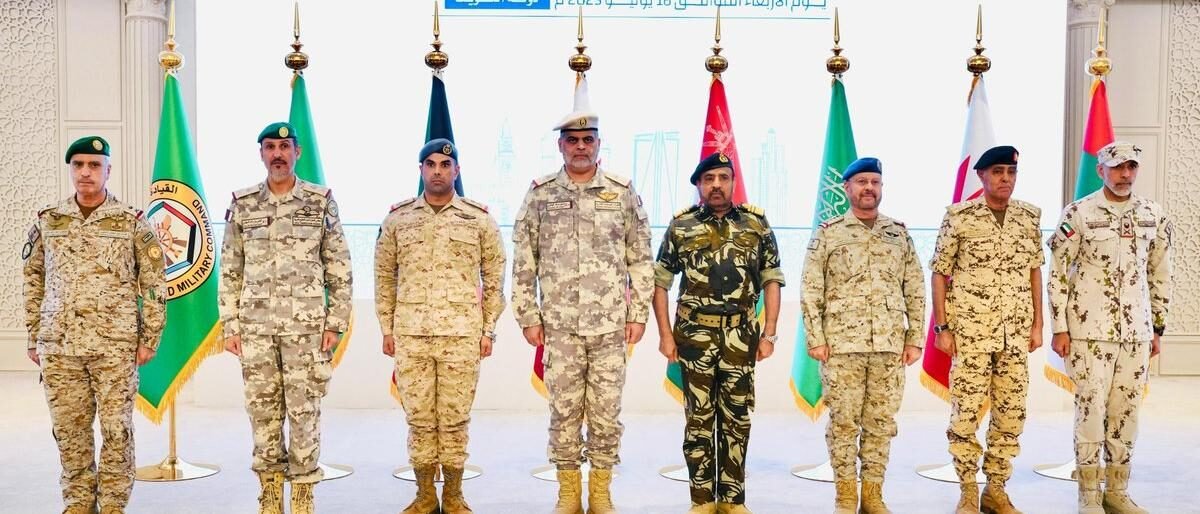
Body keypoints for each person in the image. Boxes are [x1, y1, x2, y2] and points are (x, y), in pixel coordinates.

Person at [511, 97, 653, 514]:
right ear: (560, 146)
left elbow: (640, 257)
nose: (580, 147)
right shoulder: (540, 194)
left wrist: (638, 313)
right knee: (564, 412)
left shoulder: (621, 193)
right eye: (572, 140)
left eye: (587, 139)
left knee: (606, 413)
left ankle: (602, 492)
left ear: (598, 144)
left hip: (610, 327)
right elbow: (524, 258)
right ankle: (568, 493)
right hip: (559, 327)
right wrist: (527, 315)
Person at [23, 136, 166, 514]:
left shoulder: (130, 222)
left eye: (94, 165)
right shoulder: (49, 221)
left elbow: (154, 282)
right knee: (69, 432)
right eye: (79, 165)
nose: (86, 172)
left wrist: (150, 337)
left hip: (114, 346)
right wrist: (34, 335)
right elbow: (33, 278)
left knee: (117, 431)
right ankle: (78, 504)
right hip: (60, 345)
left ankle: (114, 505)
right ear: (71, 169)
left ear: (108, 170)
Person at [219, 122, 352, 514]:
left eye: (284, 146)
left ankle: (304, 493)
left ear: (297, 152)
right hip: (256, 330)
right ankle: (271, 493)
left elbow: (338, 265)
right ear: (261, 153)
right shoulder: (243, 204)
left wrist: (335, 322)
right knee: (263, 412)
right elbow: (230, 269)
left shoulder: (319, 201)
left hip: (306, 329)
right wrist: (230, 325)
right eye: (270, 147)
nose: (277, 154)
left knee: (304, 410)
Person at [375, 138, 506, 514]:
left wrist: (488, 329)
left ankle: (453, 495)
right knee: (418, 418)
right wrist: (387, 328)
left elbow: (495, 275)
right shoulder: (398, 219)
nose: (437, 171)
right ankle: (424, 495)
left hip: (461, 336)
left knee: (454, 419)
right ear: (420, 170)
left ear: (456, 171)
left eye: (445, 165)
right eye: (430, 164)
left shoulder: (478, 219)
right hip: (411, 335)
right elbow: (384, 275)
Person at [652, 152, 784, 514]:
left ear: (733, 182)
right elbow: (660, 283)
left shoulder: (756, 225)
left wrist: (770, 333)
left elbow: (772, 278)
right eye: (709, 179)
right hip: (694, 337)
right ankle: (701, 500)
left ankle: (732, 500)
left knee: (737, 419)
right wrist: (665, 334)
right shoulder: (681, 226)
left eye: (723, 178)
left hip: (740, 337)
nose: (716, 185)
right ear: (698, 184)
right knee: (699, 420)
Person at [1047, 141, 1171, 514]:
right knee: (1091, 410)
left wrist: (1157, 328)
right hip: (1089, 332)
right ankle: (1088, 495)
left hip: (1136, 332)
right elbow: (1058, 274)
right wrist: (1059, 327)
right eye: (1117, 167)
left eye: (1131, 167)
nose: (1124, 174)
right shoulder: (1078, 213)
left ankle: (1116, 492)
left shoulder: (1153, 214)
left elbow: (1160, 273)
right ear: (1101, 170)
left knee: (1127, 411)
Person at [800, 157, 925, 514]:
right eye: (862, 182)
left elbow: (915, 287)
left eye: (875, 182)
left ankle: (872, 496)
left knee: (881, 423)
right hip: (841, 346)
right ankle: (845, 496)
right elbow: (811, 287)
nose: (869, 188)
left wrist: (914, 337)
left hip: (889, 345)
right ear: (847, 188)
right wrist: (815, 337)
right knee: (843, 423)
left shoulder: (898, 233)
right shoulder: (829, 233)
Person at [929, 145, 1044, 514]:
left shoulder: (1028, 217)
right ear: (981, 175)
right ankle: (967, 489)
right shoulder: (959, 217)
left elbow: (1034, 271)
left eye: (1011, 172)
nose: (1005, 179)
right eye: (997, 172)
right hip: (971, 334)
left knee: (1011, 415)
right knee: (965, 414)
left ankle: (996, 489)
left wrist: (1038, 323)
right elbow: (940, 273)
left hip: (1015, 334)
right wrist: (942, 327)